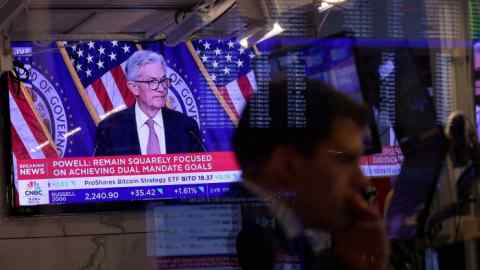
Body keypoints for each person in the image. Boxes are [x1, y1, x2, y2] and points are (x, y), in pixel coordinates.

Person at [233, 79, 389, 270]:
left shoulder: (281, 238)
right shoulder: (252, 245)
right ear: (287, 166)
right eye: (345, 160)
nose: (363, 181)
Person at [94, 50, 204, 156]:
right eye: (152, 82)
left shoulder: (186, 127)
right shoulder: (110, 129)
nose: (161, 88)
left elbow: (203, 170)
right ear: (134, 88)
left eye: (163, 80)